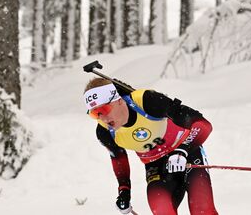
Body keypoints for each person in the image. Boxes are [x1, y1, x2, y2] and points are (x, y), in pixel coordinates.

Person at [83, 77, 218, 215]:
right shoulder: (104, 132)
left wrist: (182, 150)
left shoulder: (146, 101)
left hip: (188, 151)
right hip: (155, 165)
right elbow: (119, 159)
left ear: (118, 100)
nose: (102, 118)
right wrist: (124, 191)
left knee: (203, 210)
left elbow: (202, 124)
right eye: (95, 114)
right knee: (162, 210)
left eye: (104, 110)